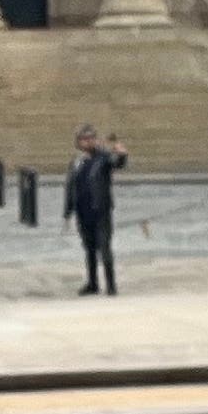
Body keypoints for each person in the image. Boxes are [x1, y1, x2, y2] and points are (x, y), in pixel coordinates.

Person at [65, 122, 125, 295]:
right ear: (78, 142)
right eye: (84, 139)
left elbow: (117, 163)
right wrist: (68, 211)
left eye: (91, 138)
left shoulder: (104, 157)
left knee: (104, 247)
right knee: (89, 248)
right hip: (83, 212)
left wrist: (121, 155)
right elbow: (70, 186)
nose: (88, 142)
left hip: (101, 210)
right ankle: (92, 283)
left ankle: (111, 285)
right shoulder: (76, 162)